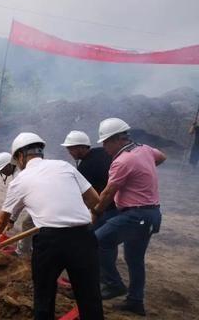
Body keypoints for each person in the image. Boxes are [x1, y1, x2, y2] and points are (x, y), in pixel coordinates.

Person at [0, 133, 104, 320]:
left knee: (44, 297)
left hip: (51, 242)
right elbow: (94, 199)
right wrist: (72, 214)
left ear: (21, 156)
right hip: (84, 237)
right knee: (90, 298)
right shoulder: (64, 166)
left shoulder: (20, 180)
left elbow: (2, 218)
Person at [91, 118, 165, 316]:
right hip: (151, 214)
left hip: (136, 215)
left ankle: (113, 284)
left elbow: (107, 193)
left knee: (96, 241)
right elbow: (162, 157)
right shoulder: (145, 150)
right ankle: (135, 301)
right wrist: (142, 172)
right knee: (134, 259)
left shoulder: (123, 160)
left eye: (106, 142)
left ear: (118, 139)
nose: (104, 146)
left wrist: (96, 213)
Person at [61, 130, 115, 228]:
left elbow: (84, 197)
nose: (69, 152)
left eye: (71, 148)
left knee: (97, 237)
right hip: (120, 204)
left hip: (105, 209)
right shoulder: (103, 151)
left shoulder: (84, 167)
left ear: (81, 148)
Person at [0, 151, 34, 256]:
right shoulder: (19, 171)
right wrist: (12, 219)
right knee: (34, 224)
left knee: (27, 223)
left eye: (2, 170)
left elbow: (18, 203)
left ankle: (22, 252)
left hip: (43, 201)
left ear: (9, 165)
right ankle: (31, 246)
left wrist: (11, 219)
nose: (2, 173)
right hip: (39, 198)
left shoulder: (18, 176)